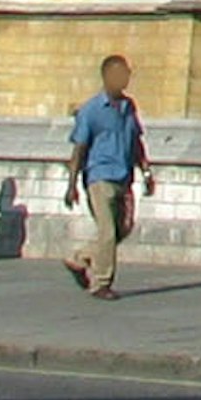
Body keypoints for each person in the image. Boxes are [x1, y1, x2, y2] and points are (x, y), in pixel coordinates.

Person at [63, 53, 150, 300]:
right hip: (98, 176)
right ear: (106, 77)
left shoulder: (128, 107)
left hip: (123, 175)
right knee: (108, 232)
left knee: (123, 228)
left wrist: (145, 170)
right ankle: (100, 283)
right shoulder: (91, 111)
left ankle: (81, 258)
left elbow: (136, 140)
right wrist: (72, 186)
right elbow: (78, 149)